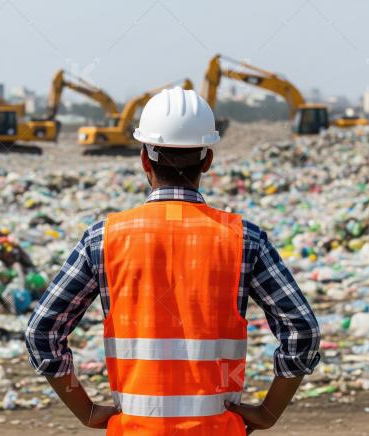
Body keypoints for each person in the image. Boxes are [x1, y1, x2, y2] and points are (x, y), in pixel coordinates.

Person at [25, 87, 320, 435]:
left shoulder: (104, 238)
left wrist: (86, 410)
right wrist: (268, 412)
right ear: (207, 159)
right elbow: (302, 331)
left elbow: (41, 331)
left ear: (144, 160)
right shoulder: (244, 239)